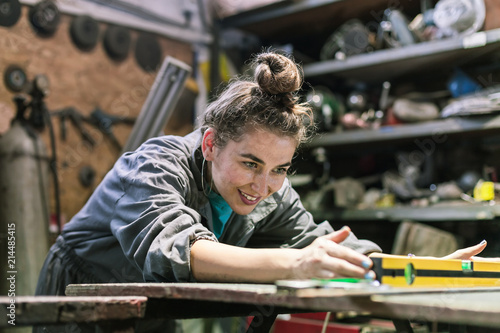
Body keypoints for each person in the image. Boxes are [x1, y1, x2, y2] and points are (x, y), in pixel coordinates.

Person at [34, 51, 489, 332]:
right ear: (211, 144)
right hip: (79, 300)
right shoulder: (153, 165)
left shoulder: (272, 191)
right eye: (251, 163)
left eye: (279, 169)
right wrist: (296, 263)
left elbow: (322, 243)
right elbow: (177, 251)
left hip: (148, 306)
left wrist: (406, 269)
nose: (262, 186)